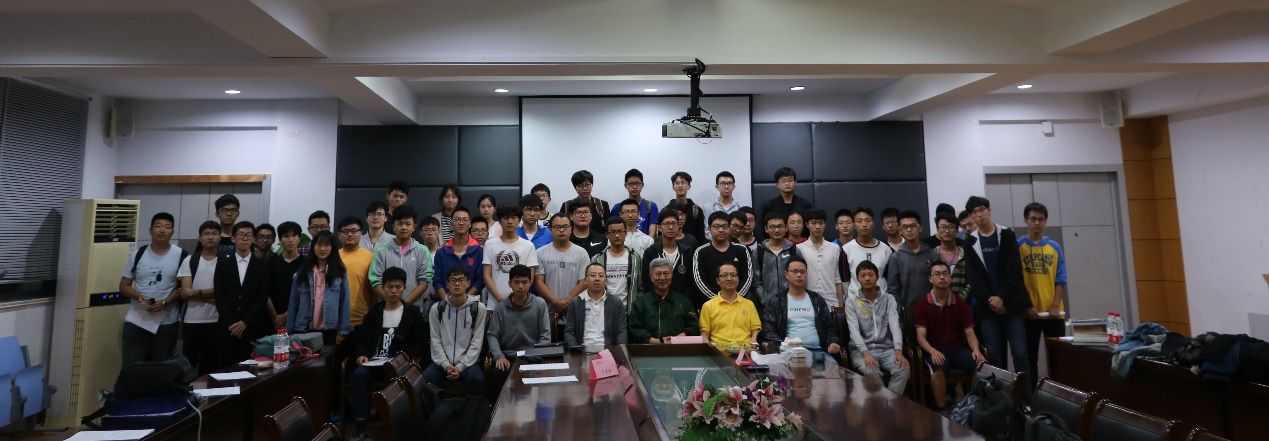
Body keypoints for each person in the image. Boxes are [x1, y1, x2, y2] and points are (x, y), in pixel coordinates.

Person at [348, 267, 427, 441]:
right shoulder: (375, 313)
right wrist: (362, 355)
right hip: (374, 363)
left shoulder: (412, 313)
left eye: (398, 287)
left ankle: (399, 426)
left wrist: (406, 357)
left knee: (399, 378)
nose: (393, 291)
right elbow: (362, 339)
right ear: (383, 288)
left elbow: (421, 341)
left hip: (398, 365)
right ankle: (361, 427)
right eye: (390, 287)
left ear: (404, 288)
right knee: (358, 375)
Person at [961, 196, 1031, 384]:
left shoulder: (1006, 234)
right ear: (971, 216)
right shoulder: (970, 242)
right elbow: (974, 279)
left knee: (1020, 353)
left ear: (989, 210)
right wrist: (990, 300)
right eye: (974, 212)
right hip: (987, 308)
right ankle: (1000, 396)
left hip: (1011, 304)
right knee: (995, 355)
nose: (979, 214)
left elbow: (1014, 271)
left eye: (982, 210)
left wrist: (1001, 297)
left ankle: (1025, 398)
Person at [914, 260, 986, 412]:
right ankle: (942, 410)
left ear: (950, 278)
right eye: (937, 274)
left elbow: (970, 333)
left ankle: (977, 407)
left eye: (945, 274)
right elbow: (920, 337)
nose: (942, 277)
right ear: (930, 279)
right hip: (935, 349)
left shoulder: (960, 303)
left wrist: (976, 350)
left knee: (982, 364)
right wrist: (932, 351)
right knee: (937, 368)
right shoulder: (923, 304)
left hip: (958, 349)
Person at [119, 212, 185, 369]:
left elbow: (184, 289)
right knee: (132, 367)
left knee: (162, 368)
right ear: (150, 230)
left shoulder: (181, 255)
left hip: (166, 322)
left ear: (172, 232)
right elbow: (123, 286)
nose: (162, 230)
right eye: (158, 226)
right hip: (138, 319)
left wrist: (165, 302)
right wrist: (138, 296)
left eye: (167, 227)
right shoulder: (137, 255)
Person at [1018, 202, 1067, 390]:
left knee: (1058, 356)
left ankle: (1059, 393)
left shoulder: (1054, 247)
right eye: (1033, 219)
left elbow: (1061, 279)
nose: (1037, 223)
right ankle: (1032, 394)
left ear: (1045, 222)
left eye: (1041, 219)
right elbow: (1016, 280)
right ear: (1026, 220)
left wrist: (1055, 305)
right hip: (1029, 313)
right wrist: (1027, 305)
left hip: (1053, 313)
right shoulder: (1018, 246)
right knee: (1029, 356)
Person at [844, 260, 910, 394]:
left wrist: (898, 350)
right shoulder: (851, 302)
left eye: (870, 274)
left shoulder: (889, 299)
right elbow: (853, 331)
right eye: (863, 275)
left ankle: (890, 403)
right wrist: (866, 354)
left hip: (886, 348)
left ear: (877, 277)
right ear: (858, 279)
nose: (867, 278)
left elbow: (895, 326)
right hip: (861, 351)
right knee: (872, 372)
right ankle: (883, 404)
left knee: (903, 370)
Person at [486, 265, 551, 390]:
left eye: (524, 282)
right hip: (509, 357)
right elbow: (492, 335)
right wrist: (499, 356)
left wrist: (535, 354)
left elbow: (545, 335)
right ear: (509, 284)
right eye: (516, 282)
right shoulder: (500, 308)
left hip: (534, 357)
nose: (520, 286)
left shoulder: (540, 304)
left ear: (530, 283)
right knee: (496, 374)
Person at [214, 221, 271, 363]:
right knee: (225, 365)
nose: (245, 238)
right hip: (228, 326)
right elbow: (220, 296)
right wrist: (232, 323)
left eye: (248, 235)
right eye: (241, 235)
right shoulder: (222, 264)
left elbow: (262, 296)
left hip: (252, 326)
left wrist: (245, 322)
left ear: (253, 239)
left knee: (250, 367)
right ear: (233, 238)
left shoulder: (262, 266)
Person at [425, 267, 488, 396]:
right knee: (426, 379)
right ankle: (433, 410)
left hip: (468, 363)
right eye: (453, 280)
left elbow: (477, 342)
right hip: (441, 362)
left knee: (477, 380)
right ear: (447, 284)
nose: (457, 284)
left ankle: (472, 409)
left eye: (461, 280)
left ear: (468, 283)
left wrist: (460, 366)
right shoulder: (437, 308)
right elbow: (435, 340)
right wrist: (445, 365)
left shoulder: (478, 308)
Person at [760, 257, 841, 353]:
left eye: (802, 272)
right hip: (789, 353)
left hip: (818, 351)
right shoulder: (776, 302)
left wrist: (833, 342)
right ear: (786, 274)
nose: (799, 275)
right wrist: (785, 345)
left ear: (807, 274)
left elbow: (829, 326)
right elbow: (769, 331)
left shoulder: (817, 299)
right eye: (794, 271)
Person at [286, 231, 351, 346]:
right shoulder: (302, 273)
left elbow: (344, 303)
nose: (322, 249)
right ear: (313, 247)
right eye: (319, 245)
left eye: (327, 245)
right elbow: (293, 303)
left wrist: (342, 331)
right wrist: (289, 330)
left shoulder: (339, 273)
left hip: (330, 329)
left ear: (332, 247)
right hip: (303, 329)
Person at [178, 221, 225, 375]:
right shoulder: (190, 260)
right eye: (206, 234)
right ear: (199, 238)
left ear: (220, 237)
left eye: (214, 233)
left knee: (212, 365)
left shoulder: (226, 261)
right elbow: (186, 292)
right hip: (192, 320)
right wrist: (213, 298)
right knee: (189, 364)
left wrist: (195, 293)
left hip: (217, 320)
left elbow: (224, 291)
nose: (210, 237)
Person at [369, 206, 434, 308]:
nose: (404, 227)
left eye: (408, 224)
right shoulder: (381, 252)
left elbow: (424, 282)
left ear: (414, 227)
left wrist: (403, 305)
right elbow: (375, 281)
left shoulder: (422, 251)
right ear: (393, 226)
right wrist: (391, 304)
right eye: (399, 224)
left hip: (413, 310)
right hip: (387, 309)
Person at [692, 212, 756, 309]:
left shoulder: (742, 250)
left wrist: (734, 299)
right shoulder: (701, 252)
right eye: (716, 227)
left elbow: (747, 278)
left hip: (738, 304)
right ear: (709, 229)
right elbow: (699, 281)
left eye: (724, 226)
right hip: (711, 306)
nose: (721, 230)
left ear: (729, 228)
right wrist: (718, 301)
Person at [629, 258, 699, 344]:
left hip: (679, 348)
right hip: (650, 349)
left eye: (666, 273)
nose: (662, 278)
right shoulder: (640, 303)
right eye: (658, 274)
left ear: (671, 275)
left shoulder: (684, 301)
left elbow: (693, 325)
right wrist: (654, 341)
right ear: (651, 277)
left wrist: (680, 338)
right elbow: (635, 328)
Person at [482, 203, 540, 307]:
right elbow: (486, 275)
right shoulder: (489, 244)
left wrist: (516, 300)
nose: (509, 221)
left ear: (519, 220)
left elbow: (530, 277)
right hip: (495, 304)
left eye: (513, 218)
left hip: (520, 304)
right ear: (500, 221)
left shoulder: (528, 246)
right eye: (505, 218)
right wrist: (499, 298)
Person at [699, 263, 762, 348]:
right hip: (718, 353)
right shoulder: (708, 306)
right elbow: (704, 335)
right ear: (717, 280)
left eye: (733, 275)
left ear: (738, 279)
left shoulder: (749, 304)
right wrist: (711, 352)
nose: (729, 278)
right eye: (724, 275)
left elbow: (755, 329)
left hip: (745, 352)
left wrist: (752, 346)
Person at [563, 263, 628, 346]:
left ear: (606, 281)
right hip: (582, 349)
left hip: (608, 350)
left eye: (601, 276)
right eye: (593, 275)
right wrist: (575, 350)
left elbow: (622, 332)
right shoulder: (576, 303)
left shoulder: (616, 303)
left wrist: (619, 350)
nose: (597, 279)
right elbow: (569, 332)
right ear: (585, 280)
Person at [535, 215, 589, 312]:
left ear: (571, 229)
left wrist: (567, 302)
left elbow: (584, 282)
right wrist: (555, 302)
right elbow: (538, 282)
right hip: (548, 310)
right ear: (550, 230)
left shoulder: (581, 253)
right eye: (557, 227)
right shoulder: (540, 253)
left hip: (574, 309)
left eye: (565, 227)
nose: (561, 230)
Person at [887, 210, 941, 306]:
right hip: (907, 310)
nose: (909, 230)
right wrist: (899, 312)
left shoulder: (933, 255)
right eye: (905, 227)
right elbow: (893, 290)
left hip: (932, 309)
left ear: (920, 228)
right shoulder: (896, 258)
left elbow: (939, 284)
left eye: (912, 226)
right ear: (900, 230)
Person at [432, 206, 484, 303]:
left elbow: (480, 280)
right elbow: (437, 280)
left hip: (471, 303)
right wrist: (447, 301)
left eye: (464, 220)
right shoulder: (441, 251)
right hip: (446, 304)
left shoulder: (479, 250)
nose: (461, 223)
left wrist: (465, 300)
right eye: (457, 219)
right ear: (451, 224)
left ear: (470, 224)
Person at [796, 208, 844, 309]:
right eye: (813, 223)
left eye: (821, 223)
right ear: (807, 224)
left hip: (831, 302)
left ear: (825, 224)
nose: (817, 227)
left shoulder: (835, 248)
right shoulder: (799, 249)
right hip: (807, 302)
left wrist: (840, 306)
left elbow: (838, 279)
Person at [640, 208, 695, 296]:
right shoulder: (650, 252)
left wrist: (682, 300)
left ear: (678, 226)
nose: (670, 227)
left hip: (681, 301)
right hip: (656, 301)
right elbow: (647, 282)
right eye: (666, 224)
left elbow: (690, 282)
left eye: (674, 223)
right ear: (659, 227)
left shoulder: (686, 252)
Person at [337, 217, 375, 343]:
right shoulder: (333, 258)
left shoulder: (371, 258)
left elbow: (374, 291)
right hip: (337, 321)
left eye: (354, 231)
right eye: (345, 231)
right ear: (339, 235)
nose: (350, 234)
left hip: (362, 320)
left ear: (361, 233)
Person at [593, 216, 643, 308]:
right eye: (613, 232)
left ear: (626, 233)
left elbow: (640, 287)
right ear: (607, 235)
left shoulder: (635, 258)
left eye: (620, 231)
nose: (617, 235)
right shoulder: (597, 259)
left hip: (629, 309)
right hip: (604, 308)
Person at [843, 207, 893, 295]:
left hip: (881, 299)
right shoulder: (846, 249)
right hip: (855, 300)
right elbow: (845, 280)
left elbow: (890, 278)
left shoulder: (886, 249)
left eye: (867, 220)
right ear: (854, 225)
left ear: (873, 224)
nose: (864, 224)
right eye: (859, 221)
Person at [754, 212, 798, 304]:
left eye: (780, 226)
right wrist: (765, 301)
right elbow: (756, 282)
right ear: (766, 229)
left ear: (786, 228)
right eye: (772, 227)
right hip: (767, 305)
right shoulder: (759, 251)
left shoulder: (793, 250)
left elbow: (799, 276)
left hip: (792, 303)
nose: (777, 230)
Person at [268, 222, 304, 330]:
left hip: (299, 319)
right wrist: (275, 317)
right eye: (286, 236)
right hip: (274, 321)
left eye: (294, 236)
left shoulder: (306, 264)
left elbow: (306, 295)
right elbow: (265, 293)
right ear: (280, 240)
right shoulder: (271, 263)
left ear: (299, 238)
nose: (290, 240)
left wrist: (285, 316)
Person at [759, 167, 814, 231]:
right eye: (783, 181)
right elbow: (763, 228)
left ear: (795, 182)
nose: (787, 184)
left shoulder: (805, 204)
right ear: (777, 184)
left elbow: (809, 227)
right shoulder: (769, 206)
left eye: (790, 180)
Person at [932, 213, 972, 300]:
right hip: (937, 303)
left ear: (957, 230)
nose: (947, 231)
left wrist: (958, 300)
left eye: (951, 227)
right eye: (943, 227)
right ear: (938, 230)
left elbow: (972, 281)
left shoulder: (966, 255)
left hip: (961, 304)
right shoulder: (932, 255)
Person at [610, 169, 659, 236]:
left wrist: (648, 242)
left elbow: (652, 233)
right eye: (631, 184)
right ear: (625, 185)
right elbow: (613, 230)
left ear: (642, 185)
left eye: (637, 183)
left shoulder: (650, 206)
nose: (634, 187)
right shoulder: (618, 208)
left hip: (646, 242)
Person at [664, 171, 706, 244]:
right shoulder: (667, 210)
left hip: (692, 247)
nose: (680, 186)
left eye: (683, 182)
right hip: (671, 246)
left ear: (689, 186)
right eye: (677, 183)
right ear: (673, 187)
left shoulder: (696, 210)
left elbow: (701, 236)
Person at [703, 171, 740, 241]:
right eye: (723, 183)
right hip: (714, 244)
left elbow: (740, 231)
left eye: (729, 183)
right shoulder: (708, 207)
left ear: (733, 186)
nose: (726, 186)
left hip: (734, 244)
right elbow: (707, 232)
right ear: (717, 187)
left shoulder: (739, 208)